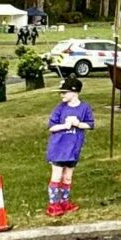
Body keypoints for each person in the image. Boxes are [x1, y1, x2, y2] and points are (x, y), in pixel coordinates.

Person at [45, 79, 93, 219]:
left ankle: (64, 202)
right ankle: (53, 204)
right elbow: (51, 127)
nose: (61, 95)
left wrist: (79, 124)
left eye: (64, 92)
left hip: (73, 149)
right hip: (59, 148)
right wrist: (64, 126)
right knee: (57, 175)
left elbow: (90, 124)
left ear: (74, 92)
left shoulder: (85, 108)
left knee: (67, 177)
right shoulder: (60, 108)